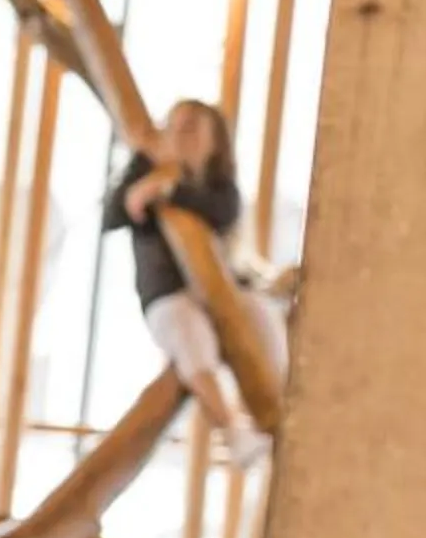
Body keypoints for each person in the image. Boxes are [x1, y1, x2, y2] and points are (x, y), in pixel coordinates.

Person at [104, 98, 288, 467]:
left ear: (214, 141)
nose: (180, 136)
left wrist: (170, 190)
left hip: (222, 291)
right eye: (175, 126)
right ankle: (232, 429)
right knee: (189, 336)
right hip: (166, 294)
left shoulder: (218, 187)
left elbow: (224, 211)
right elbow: (112, 215)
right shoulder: (143, 168)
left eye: (192, 128)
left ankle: (283, 392)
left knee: (262, 316)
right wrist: (140, 186)